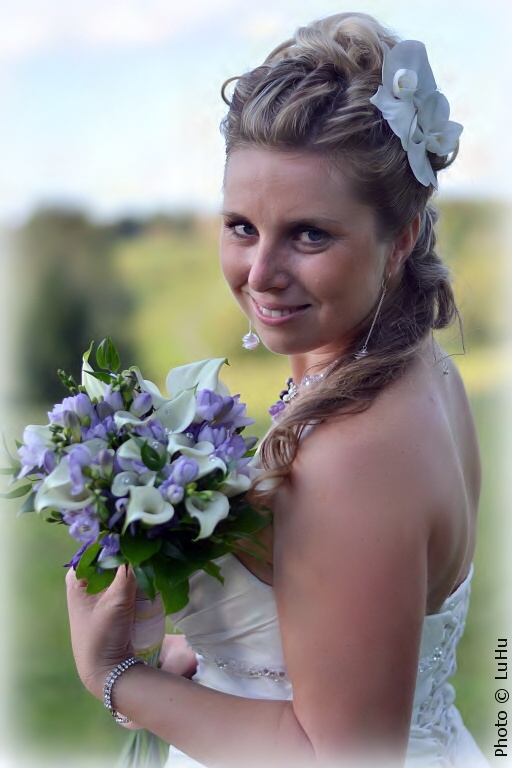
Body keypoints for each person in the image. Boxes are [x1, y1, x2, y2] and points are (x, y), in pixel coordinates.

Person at [66, 12, 489, 768]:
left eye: (309, 234)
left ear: (399, 239)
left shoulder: (352, 453)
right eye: (241, 226)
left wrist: (115, 677)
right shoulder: (420, 369)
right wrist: (213, 652)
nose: (260, 275)